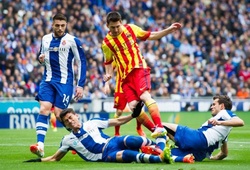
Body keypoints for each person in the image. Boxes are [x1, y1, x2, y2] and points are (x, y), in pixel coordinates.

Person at [102, 11, 182, 139]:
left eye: (118, 26)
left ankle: (159, 127)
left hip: (139, 68)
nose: (116, 29)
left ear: (121, 22)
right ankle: (158, 133)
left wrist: (168, 30)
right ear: (107, 26)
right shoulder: (106, 43)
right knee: (134, 108)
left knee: (144, 96)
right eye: (113, 27)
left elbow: (151, 35)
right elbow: (108, 63)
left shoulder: (131, 29)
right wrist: (108, 77)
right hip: (124, 78)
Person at [24, 108, 172, 164]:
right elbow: (55, 158)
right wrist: (38, 160)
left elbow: (117, 121)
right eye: (67, 121)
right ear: (66, 125)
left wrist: (132, 115)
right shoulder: (67, 140)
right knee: (128, 155)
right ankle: (158, 158)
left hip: (113, 141)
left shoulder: (93, 122)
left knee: (131, 139)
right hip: (106, 154)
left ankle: (159, 145)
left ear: (76, 115)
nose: (71, 120)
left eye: (71, 117)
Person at [30, 13, 87, 157]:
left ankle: (82, 138)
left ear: (66, 25)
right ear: (52, 25)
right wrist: (41, 59)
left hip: (64, 82)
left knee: (60, 115)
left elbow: (81, 62)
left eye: (63, 25)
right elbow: (41, 58)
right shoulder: (45, 39)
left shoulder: (72, 40)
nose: (60, 28)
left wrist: (80, 85)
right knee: (44, 109)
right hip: (48, 80)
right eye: (57, 25)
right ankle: (40, 146)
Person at [143, 95, 244, 162]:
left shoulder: (224, 113)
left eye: (214, 104)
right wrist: (212, 158)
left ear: (222, 106)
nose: (211, 107)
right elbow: (224, 153)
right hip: (199, 155)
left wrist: (219, 122)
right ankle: (159, 147)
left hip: (197, 138)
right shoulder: (224, 132)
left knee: (160, 125)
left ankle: (141, 118)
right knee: (162, 156)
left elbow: (240, 122)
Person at [104, 62, 155, 137]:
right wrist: (107, 84)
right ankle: (117, 133)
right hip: (120, 86)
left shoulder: (132, 55)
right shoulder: (117, 56)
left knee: (137, 107)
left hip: (132, 83)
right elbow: (110, 69)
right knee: (119, 111)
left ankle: (139, 128)